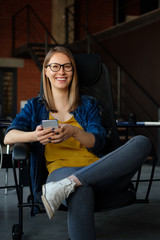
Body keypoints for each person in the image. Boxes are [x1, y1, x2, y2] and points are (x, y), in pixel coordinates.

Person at [4, 46, 151, 240]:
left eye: (67, 66)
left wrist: (74, 132)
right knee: (81, 191)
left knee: (142, 142)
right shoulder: (34, 106)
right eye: (55, 66)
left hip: (100, 171)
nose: (61, 72)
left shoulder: (88, 104)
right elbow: (9, 136)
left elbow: (97, 142)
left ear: (73, 71)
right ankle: (70, 184)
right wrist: (35, 136)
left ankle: (67, 185)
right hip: (61, 169)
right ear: (46, 71)